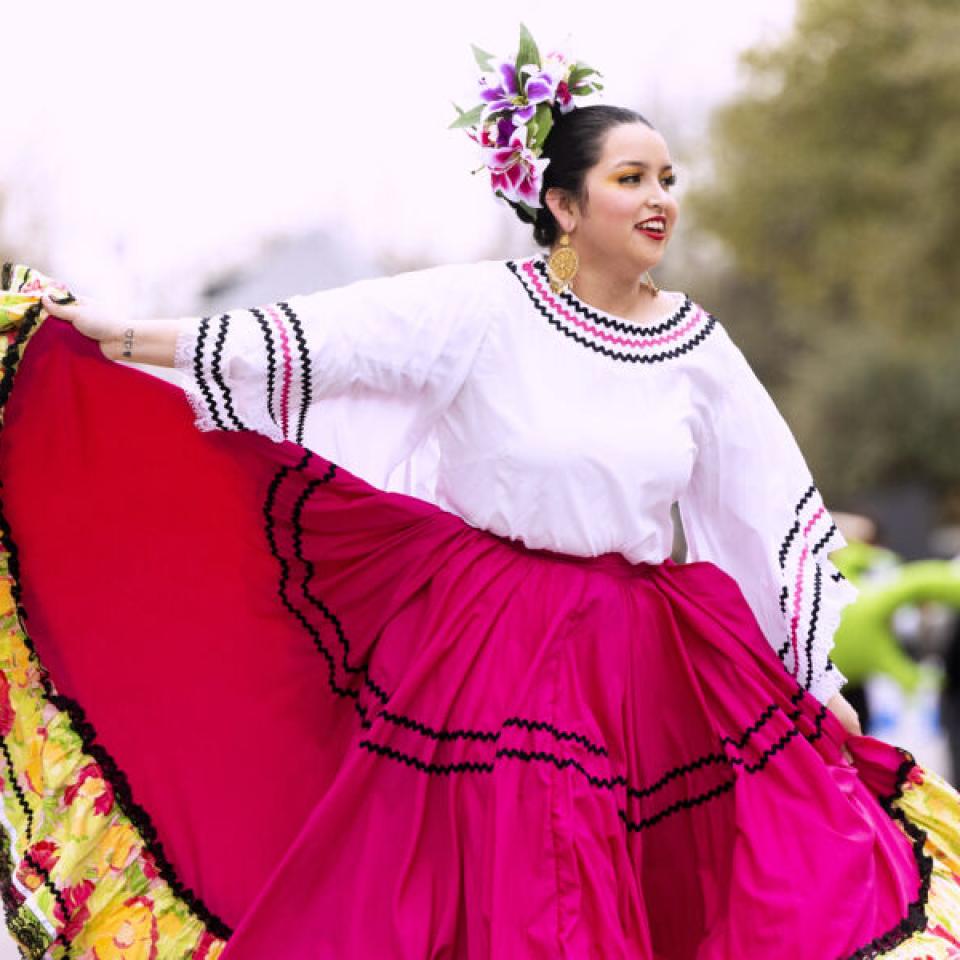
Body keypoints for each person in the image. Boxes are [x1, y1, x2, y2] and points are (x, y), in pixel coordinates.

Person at [2, 30, 959, 960]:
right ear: (563, 204)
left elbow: (763, 510)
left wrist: (812, 682)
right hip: (494, 643)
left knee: (734, 871)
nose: (660, 198)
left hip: (640, 659)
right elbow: (310, 342)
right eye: (631, 179)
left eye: (668, 179)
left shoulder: (696, 347)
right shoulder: (482, 307)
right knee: (522, 885)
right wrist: (117, 338)